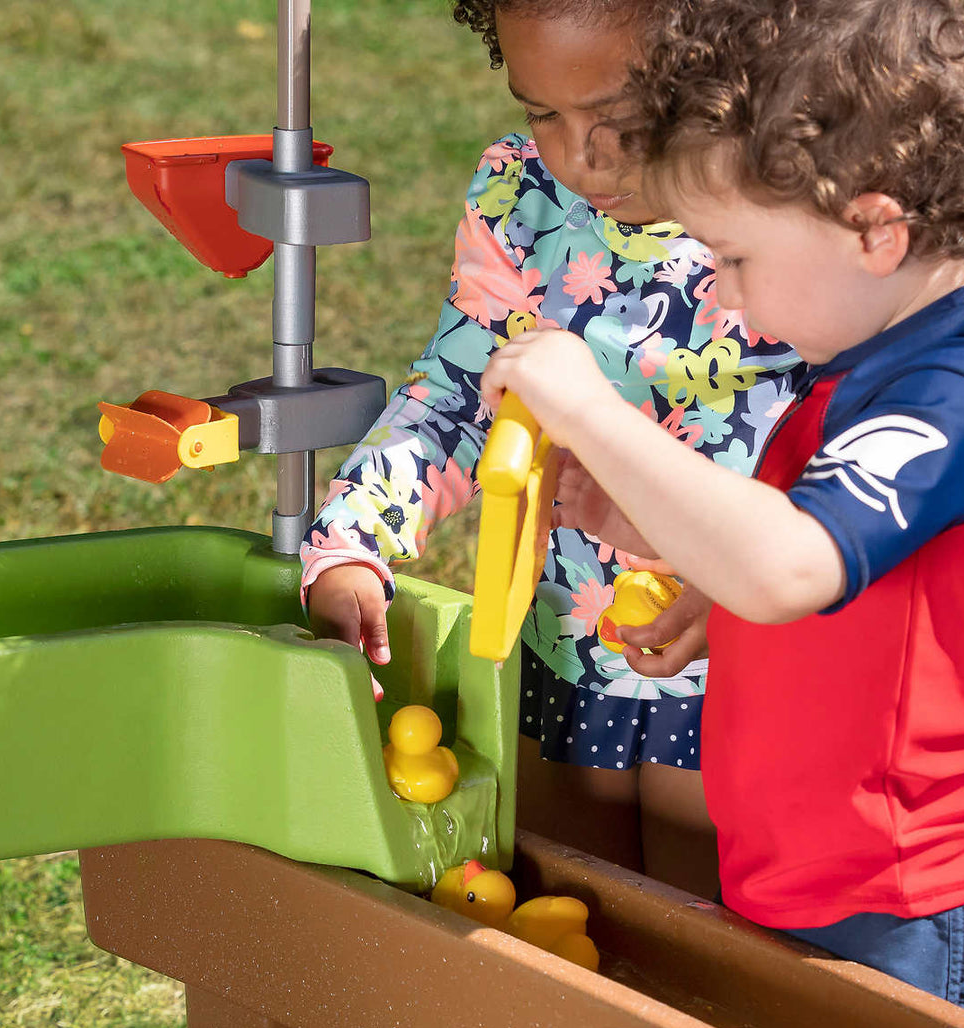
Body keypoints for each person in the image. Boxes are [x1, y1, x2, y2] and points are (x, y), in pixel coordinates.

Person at [479, 0, 964, 1028]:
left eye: (737, 257)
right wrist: (683, 554)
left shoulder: (957, 391)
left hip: (917, 911)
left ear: (877, 230)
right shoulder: (883, 364)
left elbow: (791, 566)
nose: (728, 296)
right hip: (828, 886)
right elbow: (835, 562)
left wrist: (593, 413)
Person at [300, 0, 805, 896]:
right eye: (544, 112)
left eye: (623, 114)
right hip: (565, 647)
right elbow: (462, 394)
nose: (583, 156)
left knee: (706, 945)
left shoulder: (796, 212)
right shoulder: (523, 197)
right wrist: (356, 542)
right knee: (570, 916)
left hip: (743, 659)